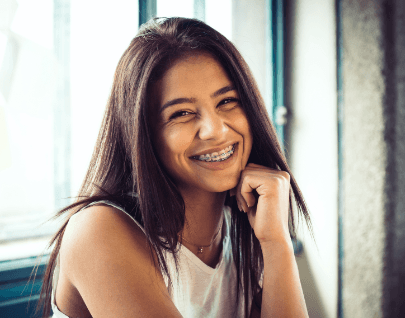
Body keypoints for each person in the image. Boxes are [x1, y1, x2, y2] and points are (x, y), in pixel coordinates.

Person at [38, 17, 311, 318]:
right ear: (143, 134)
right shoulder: (100, 229)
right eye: (181, 113)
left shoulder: (242, 228)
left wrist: (276, 242)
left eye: (227, 101)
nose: (214, 130)